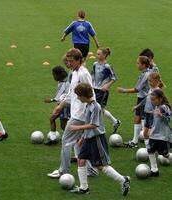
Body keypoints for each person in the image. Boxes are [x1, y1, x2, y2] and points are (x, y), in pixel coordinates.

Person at [69, 83, 130, 196]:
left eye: (78, 96)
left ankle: (123, 180)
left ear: (83, 95)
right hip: (88, 138)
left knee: (101, 166)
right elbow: (88, 123)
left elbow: (94, 125)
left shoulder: (95, 107)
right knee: (81, 160)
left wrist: (77, 128)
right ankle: (84, 188)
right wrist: (83, 137)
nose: (77, 98)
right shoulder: (88, 105)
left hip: (96, 139)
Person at [47, 48, 98, 178]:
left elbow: (90, 94)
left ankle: (63, 170)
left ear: (78, 60)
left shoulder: (83, 74)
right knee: (81, 143)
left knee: (66, 140)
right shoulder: (74, 72)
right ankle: (91, 170)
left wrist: (89, 113)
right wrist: (61, 105)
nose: (68, 64)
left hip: (80, 114)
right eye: (68, 61)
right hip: (76, 112)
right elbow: (71, 93)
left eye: (71, 61)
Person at [117, 56, 150, 148]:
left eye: (138, 63)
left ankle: (148, 145)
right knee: (137, 119)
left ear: (143, 65)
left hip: (145, 100)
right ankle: (135, 141)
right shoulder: (143, 73)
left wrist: (124, 90)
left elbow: (137, 89)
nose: (136, 65)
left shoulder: (146, 75)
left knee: (144, 122)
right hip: (141, 98)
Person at [91, 47, 121, 133]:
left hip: (102, 91)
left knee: (97, 109)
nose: (97, 55)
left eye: (99, 54)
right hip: (94, 89)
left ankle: (97, 128)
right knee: (99, 109)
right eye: (97, 54)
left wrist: (107, 85)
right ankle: (116, 121)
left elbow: (114, 77)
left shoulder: (107, 66)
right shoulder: (95, 64)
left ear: (104, 55)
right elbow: (92, 75)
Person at [132, 72, 163, 148]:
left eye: (150, 81)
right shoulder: (151, 89)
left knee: (152, 134)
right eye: (148, 81)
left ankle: (161, 145)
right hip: (147, 114)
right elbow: (147, 99)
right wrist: (138, 106)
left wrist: (157, 111)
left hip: (153, 116)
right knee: (145, 134)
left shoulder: (158, 91)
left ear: (156, 81)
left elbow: (162, 104)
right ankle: (148, 149)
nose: (149, 83)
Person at [147, 89, 172, 176]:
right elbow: (155, 121)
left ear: (160, 99)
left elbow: (169, 119)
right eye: (151, 100)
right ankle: (154, 170)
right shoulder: (157, 107)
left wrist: (162, 115)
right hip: (154, 134)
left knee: (164, 154)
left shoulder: (165, 107)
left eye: (154, 100)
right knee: (150, 150)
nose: (152, 101)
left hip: (162, 135)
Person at [44, 66, 70, 145]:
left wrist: (50, 100)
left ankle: (76, 137)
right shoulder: (65, 81)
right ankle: (53, 139)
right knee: (53, 119)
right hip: (64, 105)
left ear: (58, 75)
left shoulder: (63, 84)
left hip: (65, 106)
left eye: (53, 75)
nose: (53, 77)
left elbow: (58, 98)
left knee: (63, 125)